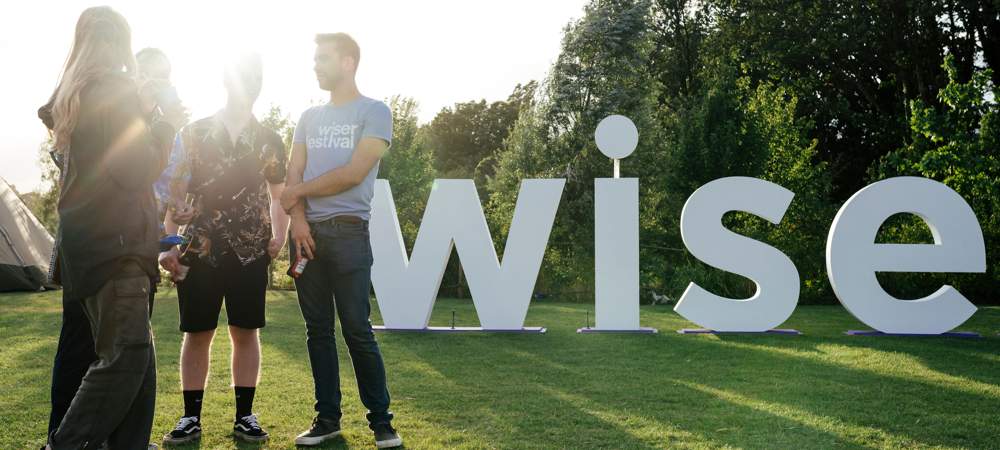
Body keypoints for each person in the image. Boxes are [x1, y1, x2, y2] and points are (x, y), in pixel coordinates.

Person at [41, 6, 185, 449]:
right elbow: (135, 168)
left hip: (88, 248)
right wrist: (165, 124)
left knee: (138, 375)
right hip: (116, 249)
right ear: (121, 44)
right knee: (126, 359)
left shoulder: (76, 95)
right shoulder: (114, 88)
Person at [158, 52, 288, 444]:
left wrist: (278, 236)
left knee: (245, 331)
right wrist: (168, 244)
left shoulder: (269, 140)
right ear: (226, 82)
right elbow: (174, 198)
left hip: (251, 249)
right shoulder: (193, 134)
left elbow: (278, 194)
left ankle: (245, 416)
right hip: (199, 247)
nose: (245, 84)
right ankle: (190, 418)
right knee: (197, 332)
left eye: (253, 77)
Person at [280, 32, 402, 449]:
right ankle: (327, 419)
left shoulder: (375, 112)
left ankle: (382, 423)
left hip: (349, 232)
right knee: (318, 332)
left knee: (356, 330)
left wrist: (296, 195)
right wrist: (297, 221)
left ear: (348, 62)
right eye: (314, 58)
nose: (316, 65)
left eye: (323, 58)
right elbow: (291, 177)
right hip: (306, 236)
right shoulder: (307, 117)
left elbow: (354, 173)